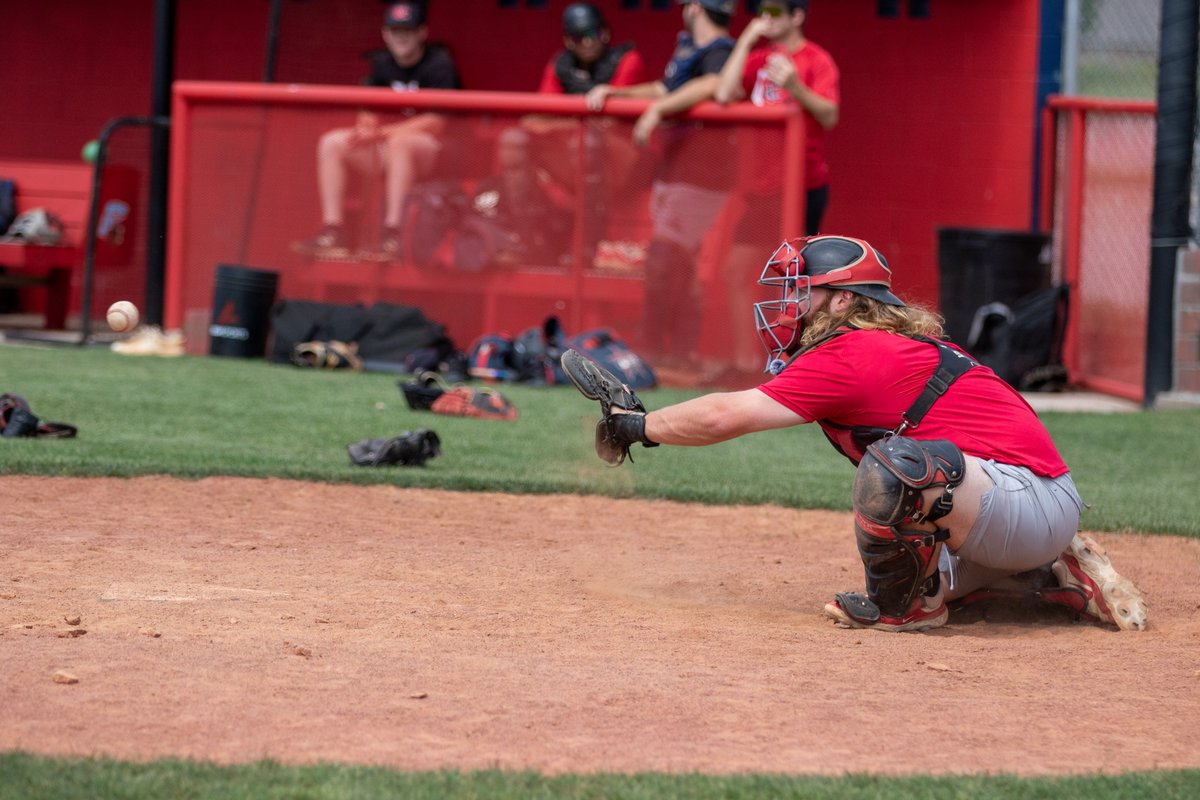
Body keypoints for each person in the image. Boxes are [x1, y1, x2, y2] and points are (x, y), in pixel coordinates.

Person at [583, 234, 1148, 633]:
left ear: (846, 301)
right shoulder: (869, 345)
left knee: (896, 468)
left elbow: (726, 415)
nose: (790, 304)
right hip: (1018, 504)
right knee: (925, 540)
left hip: (1025, 498)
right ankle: (1049, 575)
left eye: (805, 291)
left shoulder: (853, 350)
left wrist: (637, 426)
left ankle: (907, 609)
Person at [585, 0, 736, 368]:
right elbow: (664, 86)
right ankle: (677, 353)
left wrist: (658, 110)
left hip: (704, 173)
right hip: (675, 167)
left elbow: (715, 84)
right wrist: (617, 92)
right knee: (677, 261)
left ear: (696, 7)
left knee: (665, 257)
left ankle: (655, 349)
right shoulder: (688, 44)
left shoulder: (721, 50)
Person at [715, 0, 839, 372]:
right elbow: (724, 93)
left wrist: (795, 86)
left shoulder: (816, 59)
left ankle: (800, 360)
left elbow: (830, 115)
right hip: (761, 189)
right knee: (737, 270)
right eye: (761, 12)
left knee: (802, 282)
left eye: (772, 13)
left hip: (802, 185)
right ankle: (744, 361)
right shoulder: (759, 57)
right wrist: (747, 38)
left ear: (796, 15)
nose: (764, 19)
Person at [293, 1, 462, 260]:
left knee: (402, 144)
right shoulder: (382, 64)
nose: (401, 38)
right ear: (385, 34)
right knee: (334, 142)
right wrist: (365, 127)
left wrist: (381, 134)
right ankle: (333, 231)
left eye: (407, 31)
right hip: (391, 150)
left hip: (435, 156)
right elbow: (368, 107)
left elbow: (435, 122)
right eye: (395, 32)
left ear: (422, 33)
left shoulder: (439, 64)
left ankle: (393, 235)